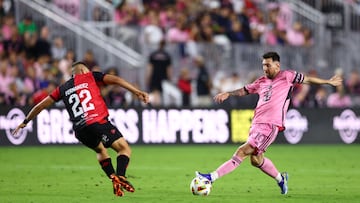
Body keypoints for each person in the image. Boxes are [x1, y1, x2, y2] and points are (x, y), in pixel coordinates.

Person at [196, 52, 342, 195]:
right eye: (263, 65)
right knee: (256, 160)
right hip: (256, 124)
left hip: (271, 125)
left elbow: (308, 79)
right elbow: (245, 90)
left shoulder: (287, 76)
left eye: (268, 65)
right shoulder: (261, 81)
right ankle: (281, 179)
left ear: (277, 65)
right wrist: (228, 93)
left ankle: (210, 178)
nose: (265, 68)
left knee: (242, 151)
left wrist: (328, 82)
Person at [12, 62, 149, 197]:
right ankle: (121, 177)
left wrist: (25, 121)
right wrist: (136, 92)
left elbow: (40, 106)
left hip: (80, 130)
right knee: (124, 149)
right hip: (97, 121)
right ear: (83, 71)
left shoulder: (62, 88)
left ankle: (113, 178)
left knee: (101, 150)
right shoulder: (90, 76)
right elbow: (116, 80)